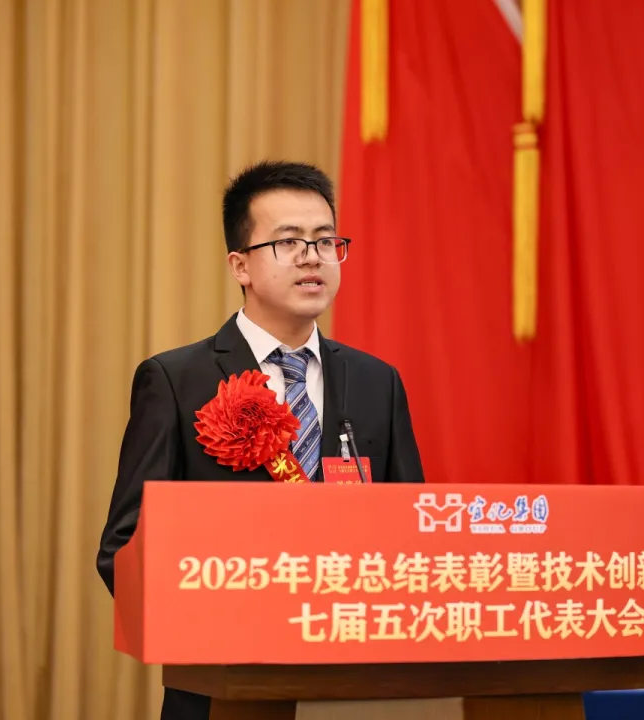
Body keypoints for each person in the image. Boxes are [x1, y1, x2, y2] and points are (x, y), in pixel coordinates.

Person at [96, 160, 426, 720]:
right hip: (224, 686)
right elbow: (123, 549)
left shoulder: (378, 382)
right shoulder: (178, 381)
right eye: (288, 241)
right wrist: (217, 620)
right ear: (240, 265)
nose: (312, 257)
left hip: (353, 688)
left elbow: (411, 533)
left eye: (326, 240)